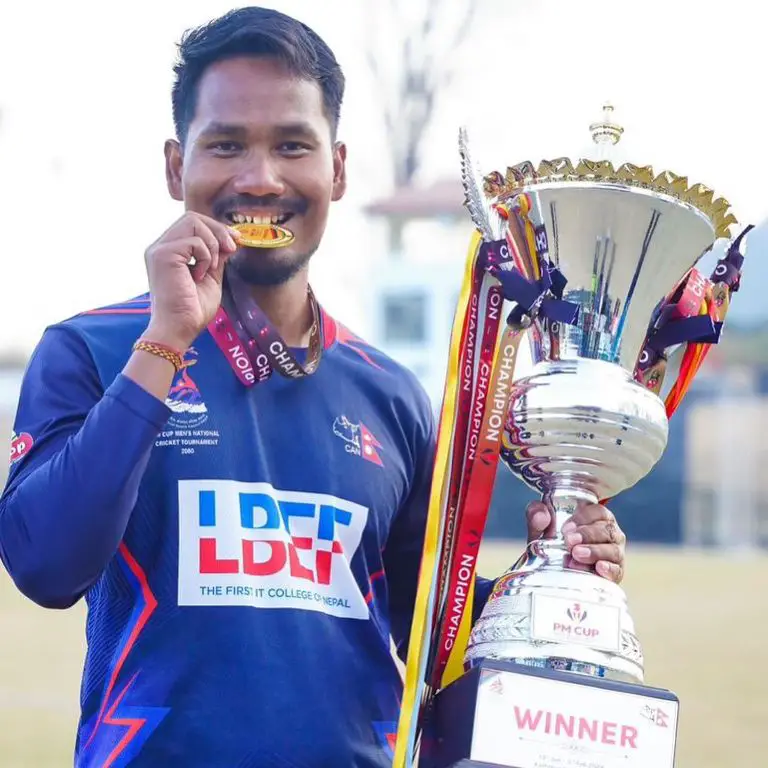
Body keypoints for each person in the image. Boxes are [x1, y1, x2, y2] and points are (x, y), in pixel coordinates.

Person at [0, 7, 627, 767]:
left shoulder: (388, 396)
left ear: (335, 167)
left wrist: (554, 579)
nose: (260, 178)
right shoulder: (94, 350)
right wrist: (164, 344)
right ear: (176, 166)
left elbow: (424, 626)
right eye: (226, 144)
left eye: (291, 145)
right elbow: (45, 566)